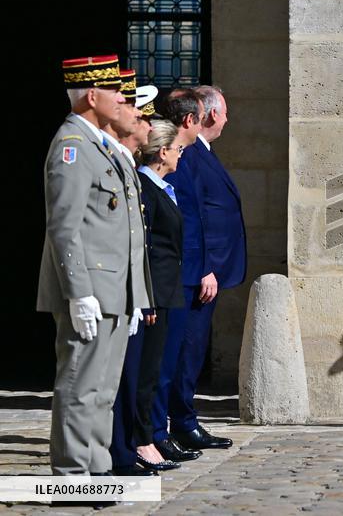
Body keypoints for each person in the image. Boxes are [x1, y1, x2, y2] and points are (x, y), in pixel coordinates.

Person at [37, 55, 131, 483]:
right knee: (79, 386)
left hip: (112, 289)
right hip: (90, 288)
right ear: (93, 96)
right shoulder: (72, 146)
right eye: (114, 90)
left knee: (102, 391)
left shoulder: (99, 144)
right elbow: (64, 225)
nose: (121, 98)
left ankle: (98, 470)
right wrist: (78, 293)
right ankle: (73, 474)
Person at [156, 85, 246, 455]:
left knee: (190, 349)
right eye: (224, 112)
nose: (227, 119)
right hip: (196, 271)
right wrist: (206, 266)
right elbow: (191, 217)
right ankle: (179, 422)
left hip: (205, 270)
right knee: (183, 350)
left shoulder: (201, 152)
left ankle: (183, 418)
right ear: (208, 115)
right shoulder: (188, 153)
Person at [105, 69, 157, 476]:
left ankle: (118, 453)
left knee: (121, 380)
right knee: (94, 387)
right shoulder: (83, 151)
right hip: (103, 290)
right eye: (138, 114)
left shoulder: (122, 161)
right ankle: (86, 473)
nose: (144, 123)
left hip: (126, 291)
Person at [134, 119, 188, 471]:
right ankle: (141, 441)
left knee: (157, 370)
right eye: (178, 149)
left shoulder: (163, 187)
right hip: (155, 291)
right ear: (164, 151)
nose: (181, 155)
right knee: (145, 372)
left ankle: (151, 435)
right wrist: (148, 294)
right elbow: (145, 247)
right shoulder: (145, 188)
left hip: (168, 289)